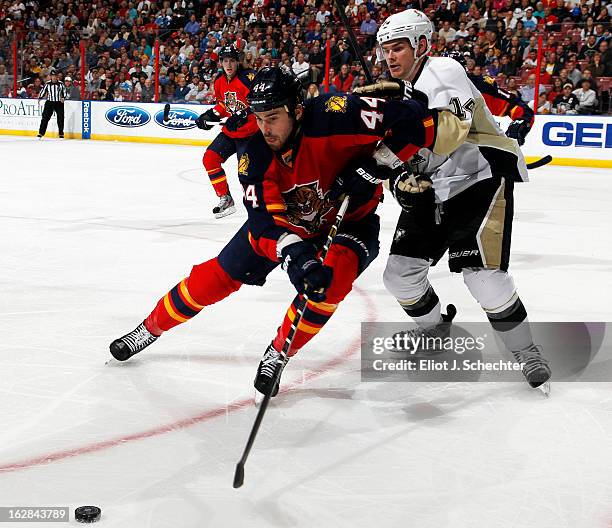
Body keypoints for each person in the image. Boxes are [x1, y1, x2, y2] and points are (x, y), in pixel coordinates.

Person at [109, 67, 438, 397]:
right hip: (287, 229)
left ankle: (279, 352)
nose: (265, 128)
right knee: (212, 280)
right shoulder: (254, 156)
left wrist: (375, 166)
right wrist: (295, 255)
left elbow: (417, 123)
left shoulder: (336, 113)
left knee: (331, 285)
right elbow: (265, 223)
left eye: (272, 117)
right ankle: (150, 328)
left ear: (296, 110)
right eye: (259, 117)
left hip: (351, 222)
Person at [356, 9, 551, 391]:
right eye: (385, 50)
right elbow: (400, 157)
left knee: (482, 277)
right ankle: (434, 333)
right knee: (399, 275)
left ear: (422, 45)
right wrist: (398, 181)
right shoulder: (397, 92)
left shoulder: (442, 70)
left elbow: (449, 133)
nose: (389, 57)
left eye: (398, 48)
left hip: (480, 175)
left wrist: (405, 119)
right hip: (436, 186)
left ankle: (526, 350)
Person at [195, 45, 259, 218]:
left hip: (250, 135)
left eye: (232, 60)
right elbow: (224, 104)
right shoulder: (219, 81)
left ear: (237, 61)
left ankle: (257, 208)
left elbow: (258, 103)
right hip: (231, 132)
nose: (228, 64)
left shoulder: (248, 78)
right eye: (225, 61)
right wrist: (210, 115)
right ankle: (226, 198)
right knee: (210, 158)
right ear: (221, 63)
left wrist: (241, 115)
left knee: (246, 172)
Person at [37, 69, 67, 139]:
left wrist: (63, 97)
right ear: (51, 76)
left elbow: (64, 91)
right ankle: (41, 133)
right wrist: (40, 98)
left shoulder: (61, 84)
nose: (54, 77)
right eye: (52, 76)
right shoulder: (47, 84)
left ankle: (61, 133)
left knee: (60, 118)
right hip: (49, 102)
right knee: (45, 118)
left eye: (55, 76)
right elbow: (43, 91)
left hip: (59, 103)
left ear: (57, 76)